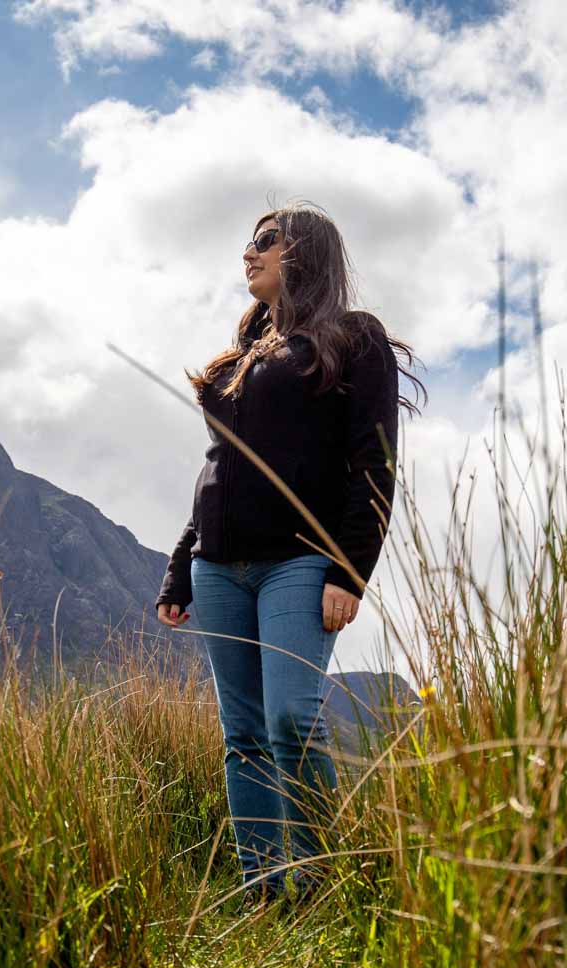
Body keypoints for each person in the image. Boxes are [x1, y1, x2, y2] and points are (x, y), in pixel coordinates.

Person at [155, 203, 426, 909]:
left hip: (299, 563)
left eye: (265, 242)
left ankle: (319, 881)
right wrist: (181, 567)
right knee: (242, 733)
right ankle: (263, 890)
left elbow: (374, 464)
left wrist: (349, 571)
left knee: (290, 719)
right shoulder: (240, 360)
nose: (249, 254)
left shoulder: (353, 341)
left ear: (304, 252)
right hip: (218, 566)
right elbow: (218, 470)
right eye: (249, 243)